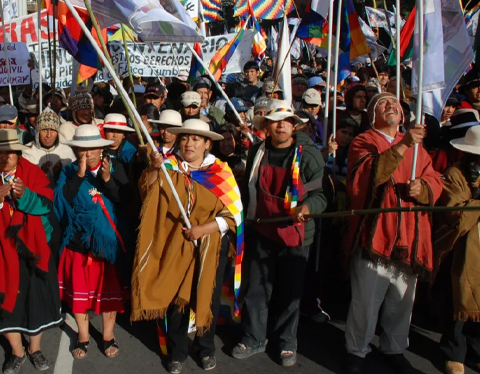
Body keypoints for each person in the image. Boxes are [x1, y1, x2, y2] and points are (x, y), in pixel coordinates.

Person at [344, 92, 443, 374]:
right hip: (374, 238)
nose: (391, 107)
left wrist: (422, 189)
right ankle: (356, 351)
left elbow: (435, 179)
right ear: (373, 114)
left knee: (402, 303)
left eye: (396, 105)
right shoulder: (364, 141)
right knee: (366, 303)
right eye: (384, 104)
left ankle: (394, 348)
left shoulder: (418, 149)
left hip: (409, 238)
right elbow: (365, 181)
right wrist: (402, 147)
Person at [133, 119, 241, 373]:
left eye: (195, 139)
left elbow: (233, 215)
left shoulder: (220, 171)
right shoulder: (168, 167)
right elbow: (146, 193)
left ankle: (206, 349)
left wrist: (203, 230)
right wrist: (153, 169)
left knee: (206, 297)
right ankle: (178, 352)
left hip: (210, 246)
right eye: (185, 138)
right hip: (176, 242)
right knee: (177, 300)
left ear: (207, 144)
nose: (188, 143)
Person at [232, 103, 326, 367]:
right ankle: (253, 337)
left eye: (287, 120)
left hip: (296, 234)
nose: (281, 125)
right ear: (267, 126)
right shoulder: (257, 152)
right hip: (262, 229)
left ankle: (286, 341)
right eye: (276, 120)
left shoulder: (308, 156)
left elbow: (321, 194)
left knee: (290, 292)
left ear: (294, 125)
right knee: (257, 289)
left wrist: (308, 207)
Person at [0, 129, 62, 374]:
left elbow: (46, 205)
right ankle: (16, 351)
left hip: (32, 251)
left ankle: (35, 348)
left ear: (18, 153)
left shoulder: (32, 173)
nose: (5, 157)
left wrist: (25, 195)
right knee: (4, 302)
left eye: (10, 152)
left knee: (34, 301)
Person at [54, 125, 129, 360]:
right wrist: (78, 176)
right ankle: (83, 336)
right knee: (79, 294)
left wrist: (107, 179)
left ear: (102, 149)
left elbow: (124, 202)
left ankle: (108, 335)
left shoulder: (114, 168)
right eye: (82, 149)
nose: (88, 153)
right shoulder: (68, 172)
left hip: (105, 247)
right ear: (76, 150)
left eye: (93, 148)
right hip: (77, 244)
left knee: (107, 294)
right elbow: (60, 203)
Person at [435, 126, 480, 374]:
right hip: (459, 248)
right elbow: (456, 215)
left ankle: (476, 351)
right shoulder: (455, 174)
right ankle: (454, 353)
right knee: (458, 300)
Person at [23, 108, 75, 186]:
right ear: (38, 132)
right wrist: (40, 173)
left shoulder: (67, 152)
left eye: (53, 130)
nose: (49, 135)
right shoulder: (27, 151)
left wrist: (61, 174)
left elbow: (73, 182)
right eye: (44, 130)